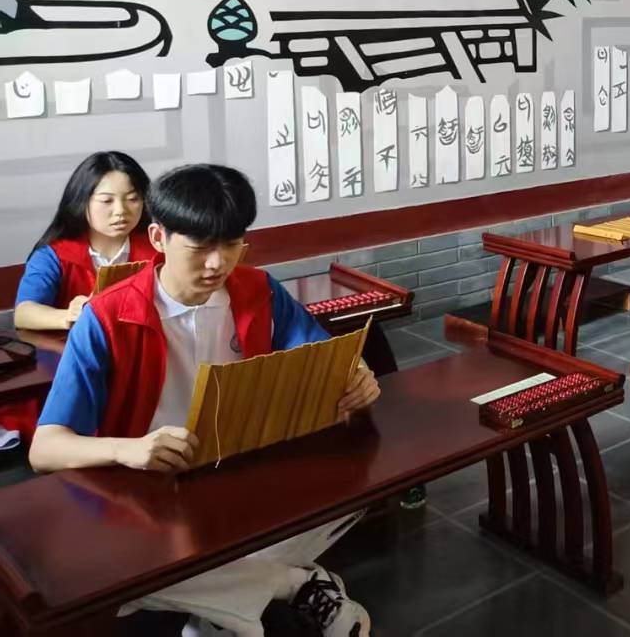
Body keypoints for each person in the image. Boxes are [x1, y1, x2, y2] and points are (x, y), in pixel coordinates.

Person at [29, 164, 378, 636]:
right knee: (107, 572)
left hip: (240, 472)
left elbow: (326, 361)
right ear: (158, 237)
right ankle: (291, 585)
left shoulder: (258, 290)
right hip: (151, 489)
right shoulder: (108, 316)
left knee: (350, 494)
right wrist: (128, 449)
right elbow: (45, 449)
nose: (217, 264)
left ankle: (221, 610)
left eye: (232, 245)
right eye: (199, 248)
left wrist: (357, 376)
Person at [14, 151, 157, 332]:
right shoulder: (55, 255)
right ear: (81, 201)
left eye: (132, 199)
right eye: (106, 200)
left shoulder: (159, 249)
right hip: (71, 347)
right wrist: (68, 316)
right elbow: (24, 313)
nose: (120, 210)